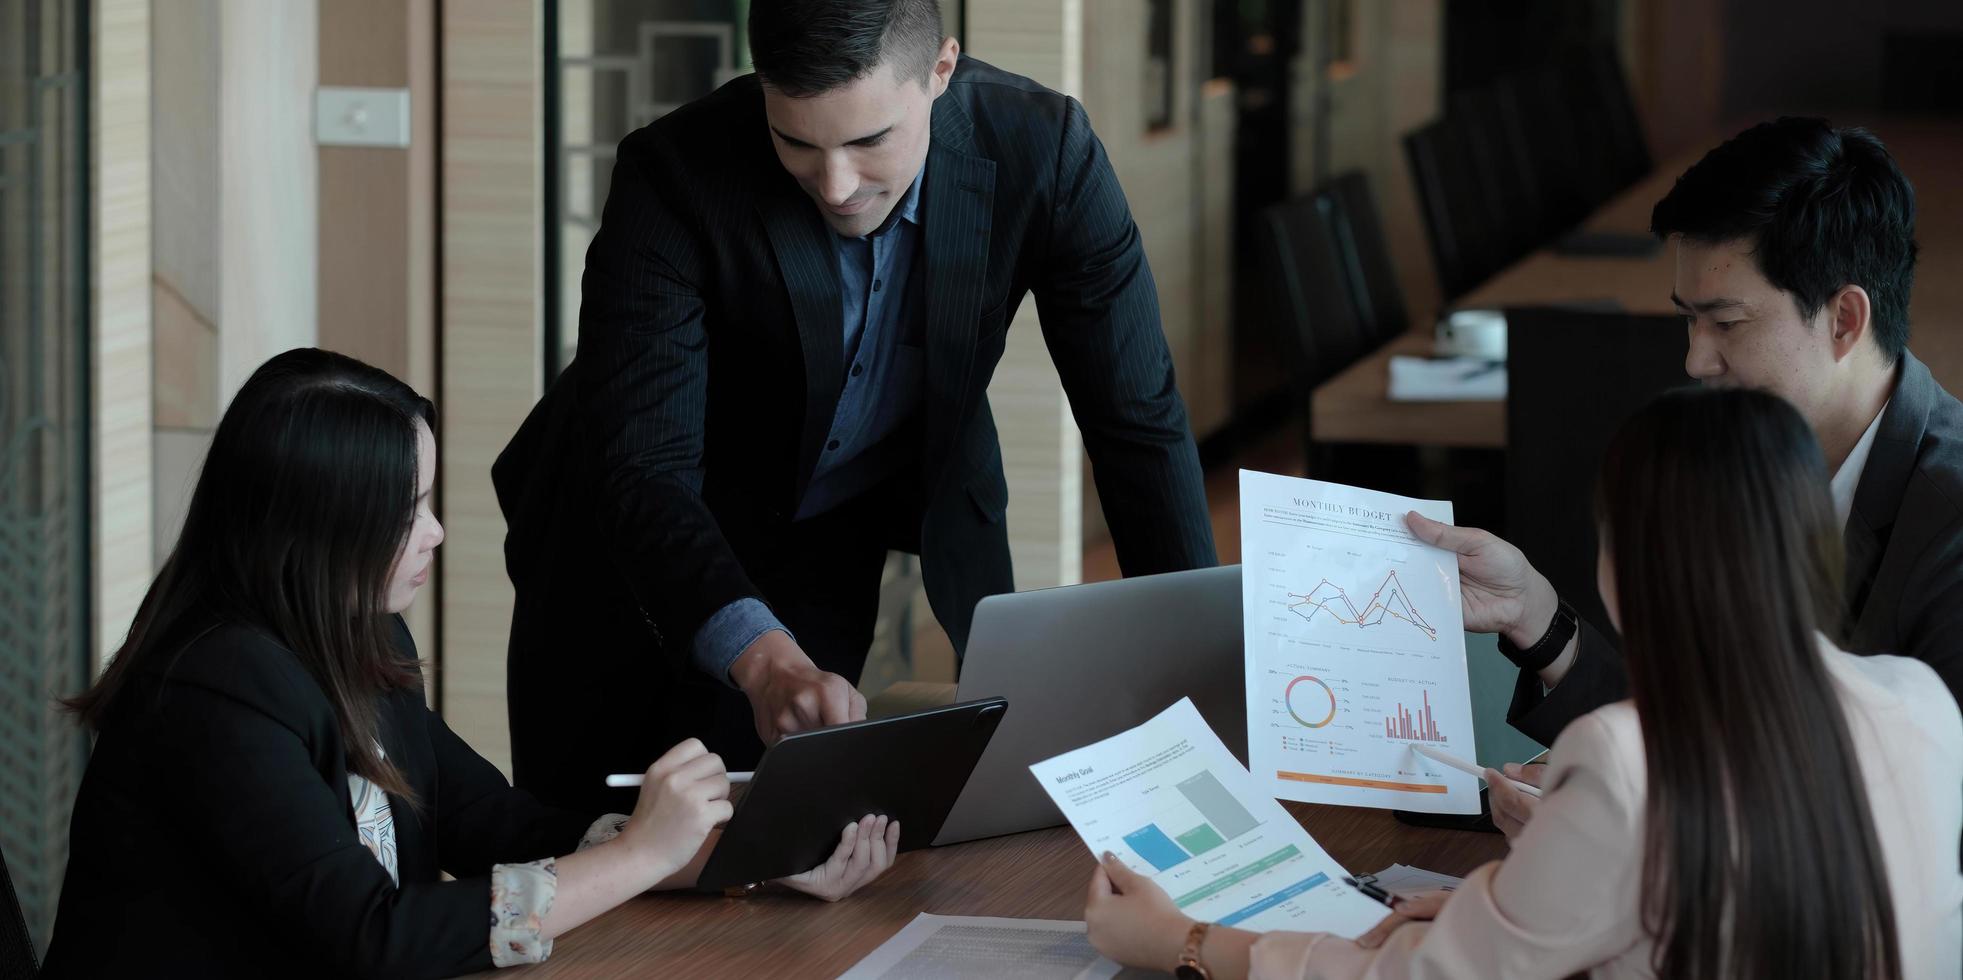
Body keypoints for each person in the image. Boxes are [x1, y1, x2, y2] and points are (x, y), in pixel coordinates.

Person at [495, 0, 1216, 813]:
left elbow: (1135, 420)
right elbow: (644, 470)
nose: (835, 188)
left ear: (940, 70)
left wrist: (1198, 666)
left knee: (778, 824)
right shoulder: (678, 171)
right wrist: (761, 656)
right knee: (588, 831)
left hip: (827, 526)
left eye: (869, 142)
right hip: (630, 535)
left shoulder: (1041, 150)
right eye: (796, 142)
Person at [40, 350, 898, 978]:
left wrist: (751, 853)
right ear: (315, 531)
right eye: (408, 510)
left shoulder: (364, 639)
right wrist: (638, 854)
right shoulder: (213, 690)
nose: (437, 533)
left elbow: (501, 827)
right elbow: (372, 938)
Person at [1082, 388, 1963, 979]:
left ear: (1627, 562)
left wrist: (1182, 940)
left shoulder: (1623, 761)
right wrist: (1508, 896)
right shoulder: (1921, 704)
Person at [1407, 117, 1963, 833]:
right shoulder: (1750, 464)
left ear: (1844, 320)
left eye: (1725, 323)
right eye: (1687, 322)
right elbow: (1692, 727)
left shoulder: (1946, 524)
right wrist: (1534, 617)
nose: (1694, 362)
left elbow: (1927, 822)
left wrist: (1640, 817)